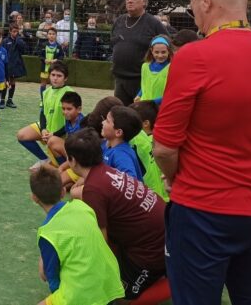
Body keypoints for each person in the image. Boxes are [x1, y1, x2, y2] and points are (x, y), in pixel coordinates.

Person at [153, 0, 251, 305]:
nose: (194, 16)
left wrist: (174, 177)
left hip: (202, 209)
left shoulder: (195, 56)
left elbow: (164, 149)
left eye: (192, 7)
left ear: (205, 0)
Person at [66, 128, 167, 301]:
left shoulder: (94, 190)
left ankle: (175, 282)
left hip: (153, 251)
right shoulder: (105, 171)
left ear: (72, 160)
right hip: (165, 234)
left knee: (117, 295)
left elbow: (101, 243)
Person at [31, 164, 124, 305]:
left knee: (44, 267)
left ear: (34, 198)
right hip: (110, 282)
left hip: (83, 294)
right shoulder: (82, 206)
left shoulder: (47, 233)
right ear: (63, 191)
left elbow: (51, 276)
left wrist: (59, 296)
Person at [110, 0, 168, 105]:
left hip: (141, 80)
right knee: (121, 117)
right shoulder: (119, 21)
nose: (130, 1)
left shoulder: (153, 23)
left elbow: (168, 45)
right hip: (120, 79)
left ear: (144, 2)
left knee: (139, 117)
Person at [16, 61, 73, 165]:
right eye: (53, 75)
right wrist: (43, 129)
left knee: (58, 164)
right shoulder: (46, 92)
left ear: (65, 78)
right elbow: (43, 112)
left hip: (61, 134)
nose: (55, 78)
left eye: (59, 76)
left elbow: (72, 122)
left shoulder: (69, 93)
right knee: (22, 135)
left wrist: (54, 134)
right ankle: (44, 160)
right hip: (47, 129)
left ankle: (62, 166)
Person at [129, 100, 168, 200]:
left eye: (132, 120)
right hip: (167, 198)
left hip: (149, 200)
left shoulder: (137, 140)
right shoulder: (164, 139)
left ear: (146, 123)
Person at [101, 105, 144, 180]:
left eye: (107, 121)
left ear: (118, 132)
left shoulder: (121, 155)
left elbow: (131, 180)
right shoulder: (107, 144)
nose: (102, 122)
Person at [135, 35, 172, 104]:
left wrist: (153, 102)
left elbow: (171, 92)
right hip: (145, 105)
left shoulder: (171, 68)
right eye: (156, 52)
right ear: (152, 51)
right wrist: (139, 95)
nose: (160, 55)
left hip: (161, 106)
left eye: (163, 52)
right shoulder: (145, 66)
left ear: (169, 51)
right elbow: (144, 85)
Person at [1, 23, 27, 108]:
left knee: (12, 81)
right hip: (6, 64)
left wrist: (18, 40)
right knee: (5, 82)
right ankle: (2, 100)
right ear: (10, 31)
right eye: (14, 31)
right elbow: (2, 52)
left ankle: (10, 100)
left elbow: (24, 49)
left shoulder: (19, 40)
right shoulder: (5, 41)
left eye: (17, 31)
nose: (15, 33)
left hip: (15, 64)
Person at [38, 27, 65, 97]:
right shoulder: (43, 45)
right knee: (43, 83)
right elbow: (39, 55)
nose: (51, 35)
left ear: (56, 35)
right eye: (49, 34)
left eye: (53, 34)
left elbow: (62, 57)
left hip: (54, 69)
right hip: (44, 68)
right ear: (47, 35)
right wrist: (44, 60)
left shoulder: (59, 46)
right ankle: (43, 99)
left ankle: (52, 98)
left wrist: (56, 60)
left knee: (53, 83)